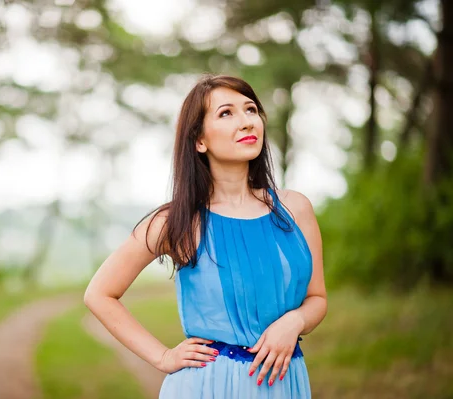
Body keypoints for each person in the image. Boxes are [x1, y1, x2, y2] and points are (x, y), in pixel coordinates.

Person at [84, 74, 327, 398]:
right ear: (199, 140)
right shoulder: (178, 221)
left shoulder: (295, 208)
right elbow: (99, 294)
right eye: (226, 113)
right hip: (208, 385)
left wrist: (294, 321)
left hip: (285, 383)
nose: (246, 122)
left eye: (251, 110)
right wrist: (163, 356)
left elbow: (317, 299)